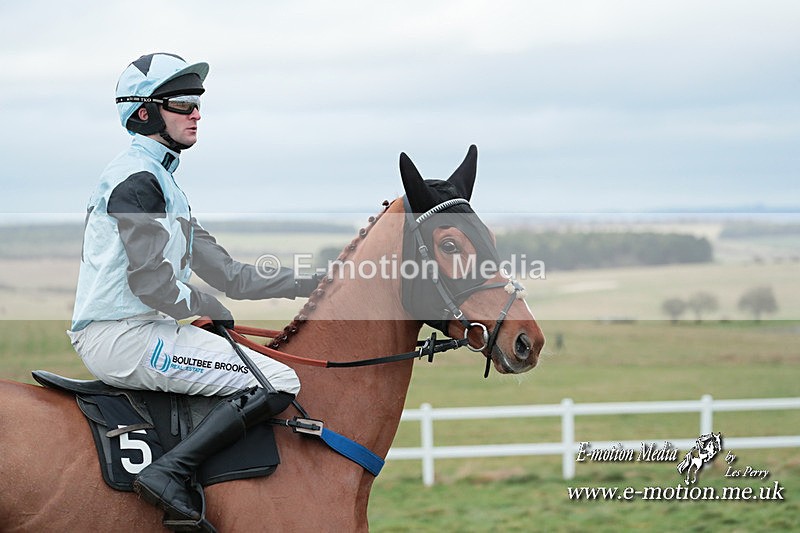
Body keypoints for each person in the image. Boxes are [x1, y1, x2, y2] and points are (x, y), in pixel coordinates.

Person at [68, 52, 317, 527]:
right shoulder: (137, 179)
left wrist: (317, 281)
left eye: (198, 102)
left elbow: (230, 275)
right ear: (143, 113)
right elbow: (150, 283)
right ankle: (168, 473)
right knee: (280, 382)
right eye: (182, 102)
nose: (197, 112)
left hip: (142, 330)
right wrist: (204, 304)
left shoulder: (163, 182)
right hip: (122, 338)